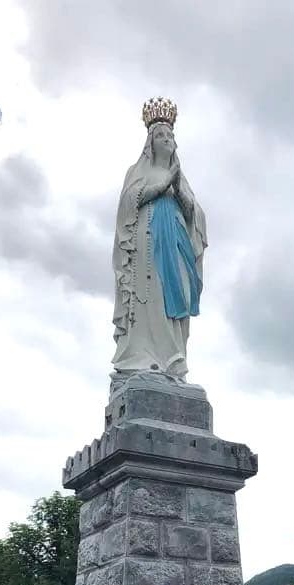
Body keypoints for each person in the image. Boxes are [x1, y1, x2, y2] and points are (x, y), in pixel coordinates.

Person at [111, 100, 207, 382]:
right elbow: (129, 203)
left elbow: (196, 216)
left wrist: (179, 192)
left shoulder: (182, 179)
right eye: (160, 136)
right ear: (150, 143)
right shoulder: (137, 171)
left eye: (169, 136)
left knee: (173, 292)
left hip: (175, 241)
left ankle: (173, 355)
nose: (166, 139)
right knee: (150, 294)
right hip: (148, 240)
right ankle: (146, 355)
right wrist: (162, 186)